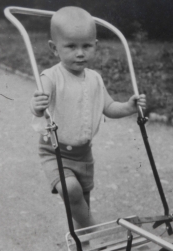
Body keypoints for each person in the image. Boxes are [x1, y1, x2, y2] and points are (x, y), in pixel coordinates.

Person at [30, 6, 146, 230]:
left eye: (86, 46)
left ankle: (86, 249)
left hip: (84, 154)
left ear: (96, 46)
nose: (80, 53)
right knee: (71, 191)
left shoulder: (94, 78)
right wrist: (36, 106)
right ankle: (96, 232)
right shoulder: (51, 77)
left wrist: (129, 107)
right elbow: (37, 103)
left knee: (81, 204)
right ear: (54, 49)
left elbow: (109, 107)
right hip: (55, 152)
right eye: (71, 46)